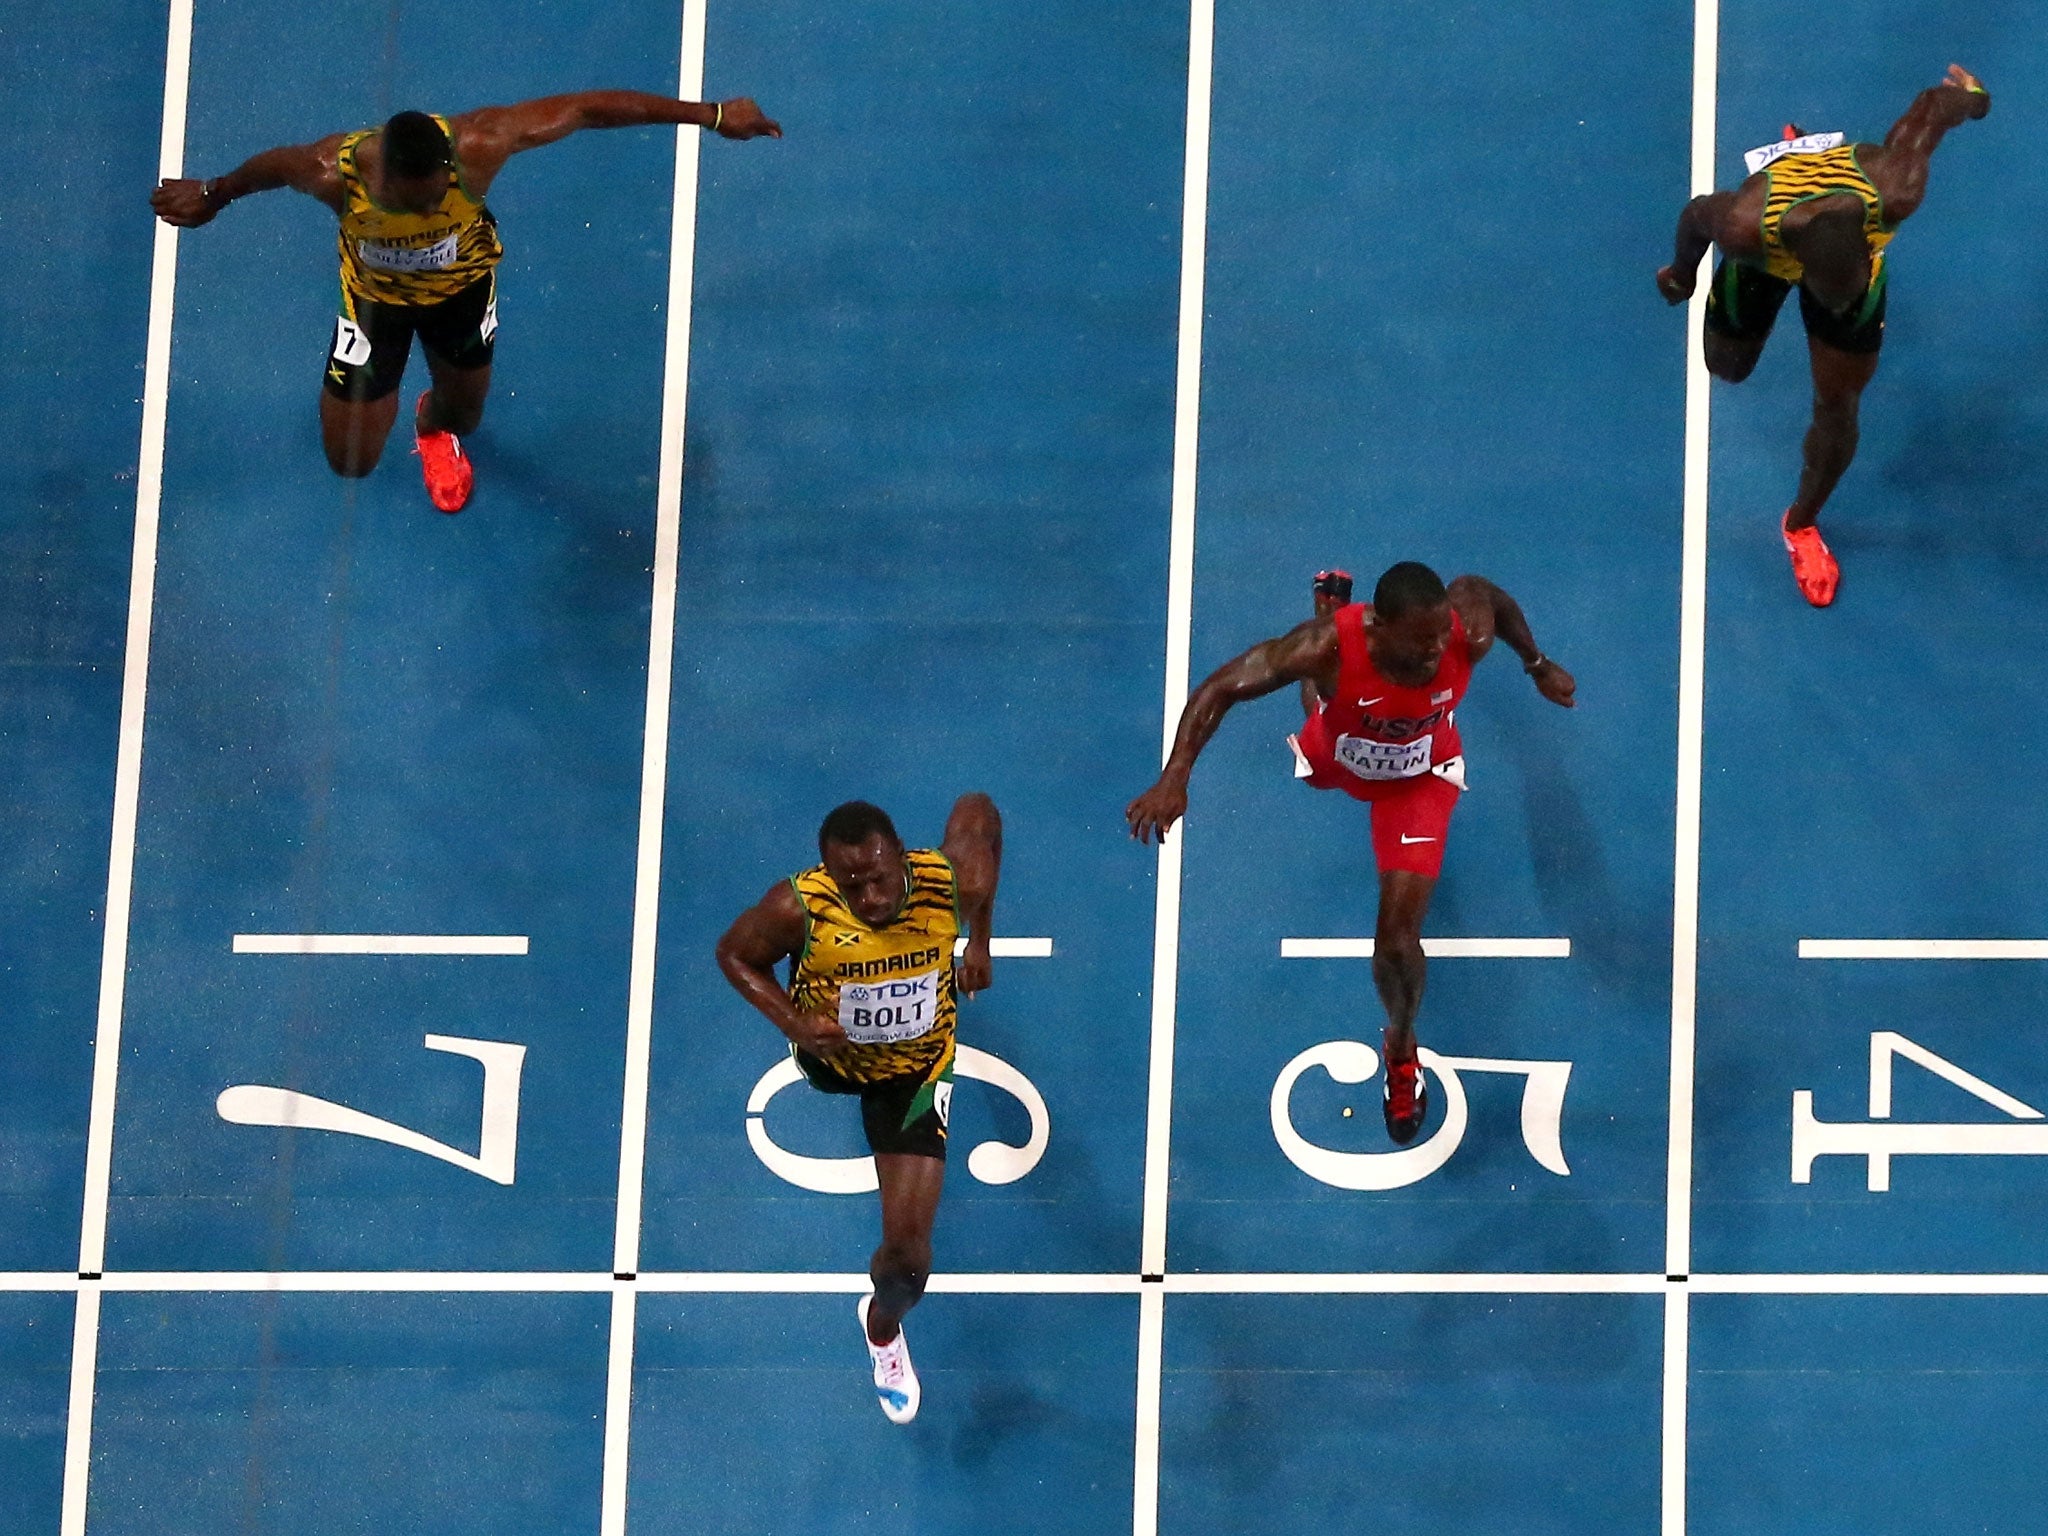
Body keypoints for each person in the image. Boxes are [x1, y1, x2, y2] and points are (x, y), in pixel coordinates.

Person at [150, 92, 781, 511]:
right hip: (375, 307)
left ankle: (431, 426)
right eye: (415, 198)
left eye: (436, 195)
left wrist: (714, 114)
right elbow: (262, 171)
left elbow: (587, 110)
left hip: (461, 293)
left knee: (463, 416)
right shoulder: (329, 171)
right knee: (352, 463)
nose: (431, 207)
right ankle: (383, 386)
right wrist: (213, 192)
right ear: (382, 176)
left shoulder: (479, 146)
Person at [1126, 563, 1574, 1144]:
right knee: (1319, 696)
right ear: (1377, 626)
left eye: (1442, 633)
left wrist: (1536, 663)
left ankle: (1401, 1047)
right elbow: (1221, 688)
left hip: (1420, 780)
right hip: (1343, 756)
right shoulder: (1329, 647)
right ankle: (1326, 608)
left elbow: (1488, 592)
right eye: (1422, 638)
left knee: (1395, 942)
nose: (1439, 648)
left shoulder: (1466, 632)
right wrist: (1175, 776)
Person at [1655, 65, 1991, 606]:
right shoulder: (1748, 227)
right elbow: (1696, 216)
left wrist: (1975, 98)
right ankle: (1795, 155)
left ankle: (1802, 524)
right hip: (1773, 246)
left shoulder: (1895, 188)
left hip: (1842, 253)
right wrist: (1682, 273)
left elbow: (1933, 110)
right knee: (1727, 366)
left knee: (1839, 408)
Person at [717, 795, 1002, 1423]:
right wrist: (794, 1022)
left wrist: (979, 942)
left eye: (878, 878)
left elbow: (979, 813)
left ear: (902, 857)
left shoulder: (952, 880)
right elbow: (735, 955)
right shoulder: (799, 907)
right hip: (832, 1059)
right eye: (852, 887)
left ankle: (881, 1332)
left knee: (906, 1265)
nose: (869, 898)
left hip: (914, 1076)